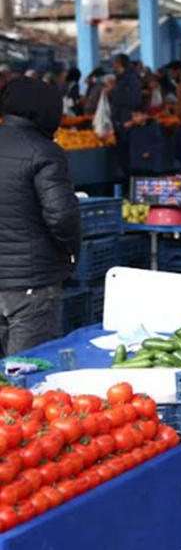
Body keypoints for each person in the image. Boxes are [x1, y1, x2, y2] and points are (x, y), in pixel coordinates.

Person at [0, 78, 82, 355]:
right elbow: (62, 216)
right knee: (27, 377)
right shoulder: (44, 152)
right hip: (31, 282)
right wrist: (71, 253)